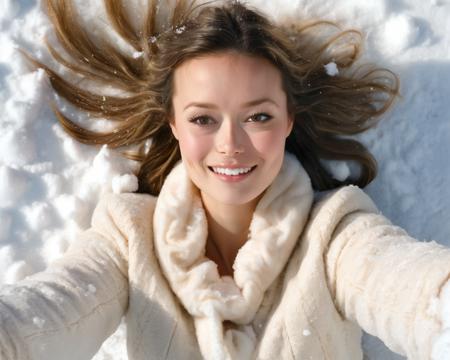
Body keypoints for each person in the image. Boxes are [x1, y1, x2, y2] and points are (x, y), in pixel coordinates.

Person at [1, 0, 450, 359]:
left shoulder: (335, 234)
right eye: (203, 119)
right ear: (172, 122)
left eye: (257, 116)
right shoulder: (127, 238)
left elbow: (408, 290)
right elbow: (53, 312)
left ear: (288, 119)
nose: (230, 144)